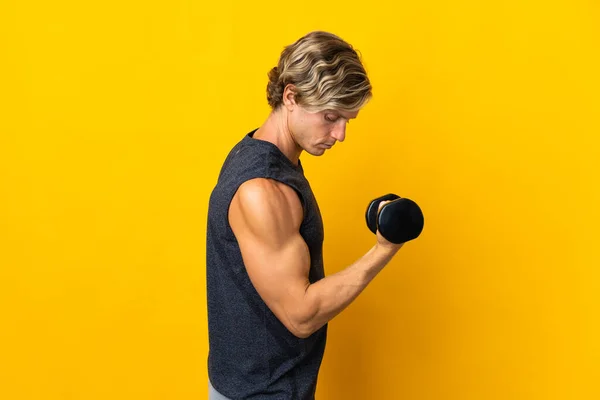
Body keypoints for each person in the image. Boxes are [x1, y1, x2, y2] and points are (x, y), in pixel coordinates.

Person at [205, 31, 404, 399]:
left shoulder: (254, 152)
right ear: (291, 96)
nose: (340, 134)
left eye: (348, 119)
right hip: (263, 392)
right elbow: (301, 315)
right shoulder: (263, 190)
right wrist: (384, 248)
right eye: (330, 117)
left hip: (250, 385)